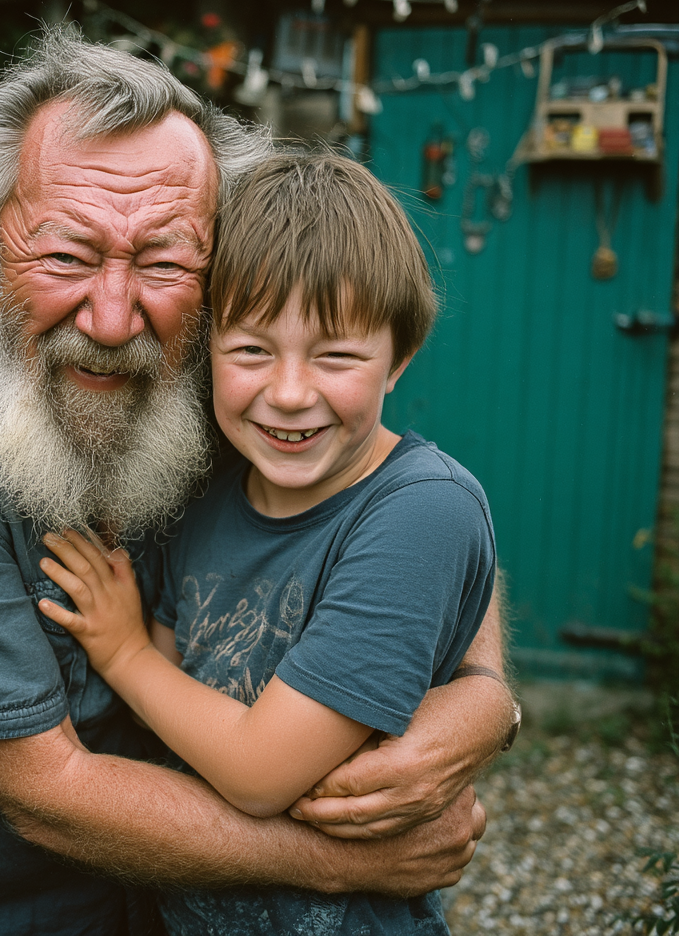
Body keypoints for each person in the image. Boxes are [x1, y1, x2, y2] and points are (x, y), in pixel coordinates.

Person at [0, 30, 516, 936]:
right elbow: (49, 793)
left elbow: (411, 512)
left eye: (162, 260)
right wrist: (350, 860)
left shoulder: (229, 359)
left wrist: (484, 702)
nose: (115, 319)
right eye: (68, 256)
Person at [37, 149, 499, 935]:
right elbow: (179, 695)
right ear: (206, 351)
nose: (289, 393)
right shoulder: (208, 488)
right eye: (251, 351)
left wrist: (123, 655)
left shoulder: (421, 512)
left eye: (336, 355)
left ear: (401, 357)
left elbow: (256, 774)